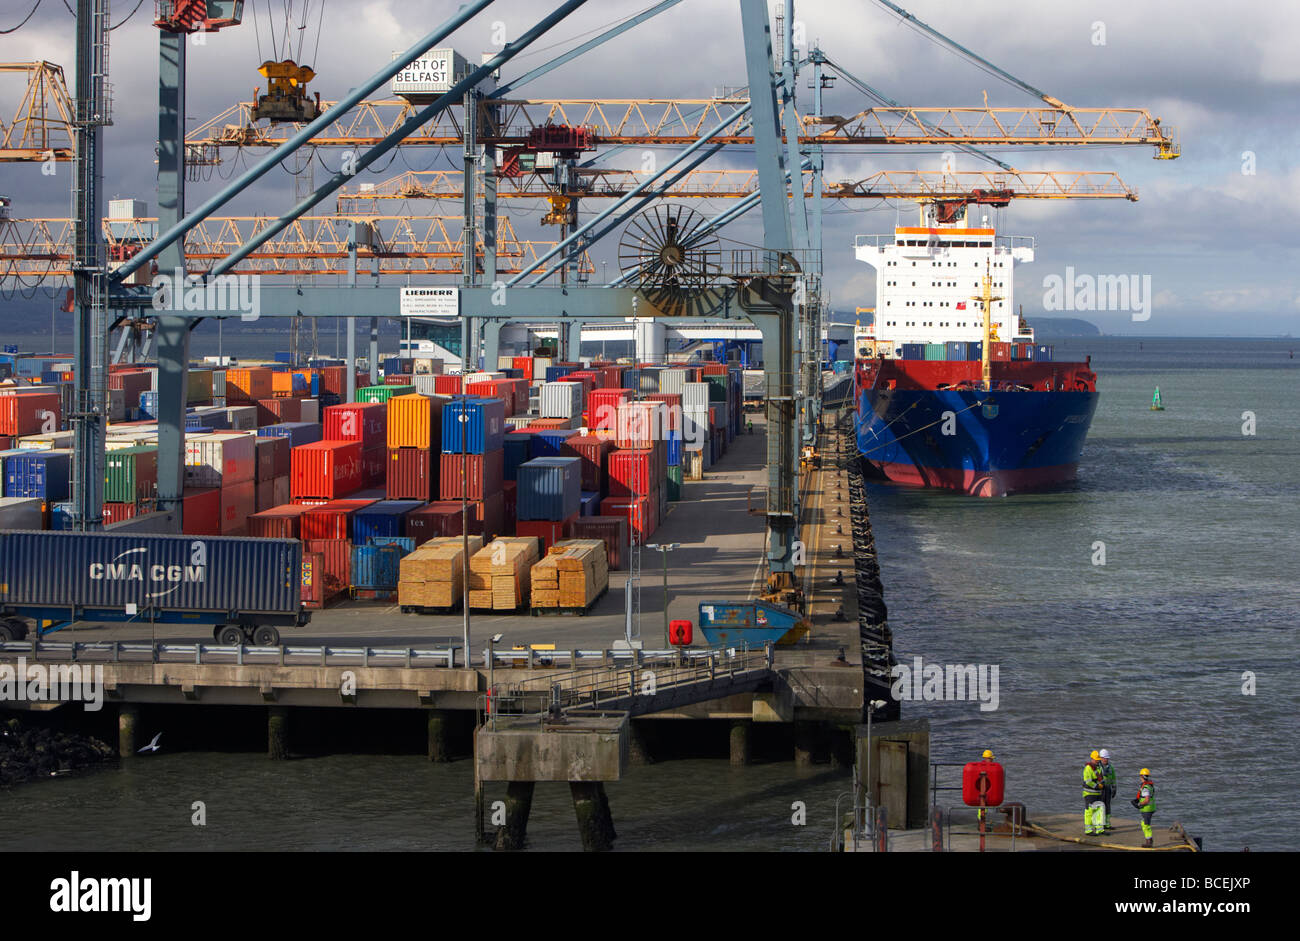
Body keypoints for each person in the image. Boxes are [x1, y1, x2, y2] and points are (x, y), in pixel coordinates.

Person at [1082, 750, 1105, 835]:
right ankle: (1088, 830)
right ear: (1092, 759)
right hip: (1089, 793)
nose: (1097, 761)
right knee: (1089, 811)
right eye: (1096, 759)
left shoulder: (1098, 767)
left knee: (1099, 811)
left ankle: (1099, 829)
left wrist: (1102, 784)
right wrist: (1097, 786)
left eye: (1098, 759)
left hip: (1098, 793)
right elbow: (1088, 781)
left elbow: (1101, 778)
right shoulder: (1088, 768)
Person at [1134, 769, 1156, 848]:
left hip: (1147, 809)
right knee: (1144, 823)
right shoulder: (1149, 785)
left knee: (1146, 825)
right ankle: (1149, 840)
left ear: (1141, 776)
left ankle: (1149, 841)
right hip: (1150, 808)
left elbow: (1146, 800)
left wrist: (1139, 804)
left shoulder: (1145, 787)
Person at [1098, 749, 1117, 832]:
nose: (1106, 760)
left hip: (1108, 788)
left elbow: (1113, 777)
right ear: (1101, 758)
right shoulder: (1098, 767)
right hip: (1100, 789)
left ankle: (1107, 824)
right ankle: (1100, 824)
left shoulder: (1110, 767)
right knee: (1100, 806)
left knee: (1108, 806)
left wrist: (1114, 787)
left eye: (1107, 758)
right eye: (1105, 758)